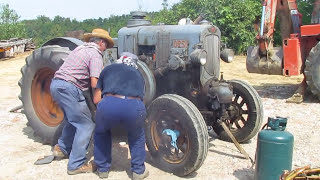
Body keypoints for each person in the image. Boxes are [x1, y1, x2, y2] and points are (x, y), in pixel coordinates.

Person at [50, 28, 114, 175]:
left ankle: (62, 149)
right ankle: (75, 165)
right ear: (101, 43)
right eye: (106, 45)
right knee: (85, 125)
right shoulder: (96, 54)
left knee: (73, 120)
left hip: (56, 84)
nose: (106, 49)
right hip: (69, 88)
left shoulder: (80, 48)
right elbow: (94, 83)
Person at [93, 52, 149, 180]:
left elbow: (96, 99)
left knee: (101, 132)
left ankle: (103, 169)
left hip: (109, 103)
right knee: (137, 135)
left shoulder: (107, 69)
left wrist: (106, 108)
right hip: (134, 106)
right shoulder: (139, 74)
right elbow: (142, 98)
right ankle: (138, 171)